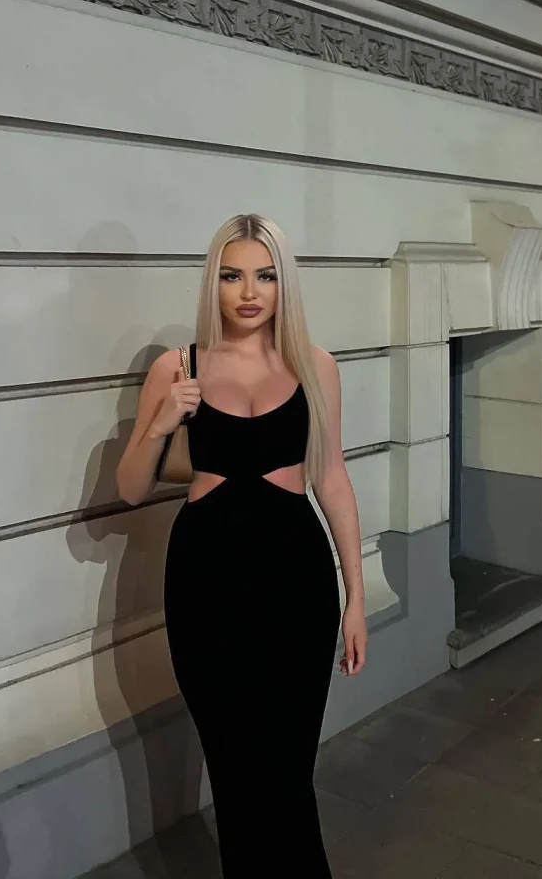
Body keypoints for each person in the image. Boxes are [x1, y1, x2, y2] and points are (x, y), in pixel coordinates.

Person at [116, 213, 366, 877]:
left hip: (297, 581)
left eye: (265, 276)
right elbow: (131, 488)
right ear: (213, 282)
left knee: (287, 772)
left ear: (285, 285)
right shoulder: (177, 368)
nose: (249, 292)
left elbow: (332, 477)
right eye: (232, 276)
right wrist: (163, 423)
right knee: (235, 771)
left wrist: (355, 596)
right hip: (207, 584)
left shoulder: (315, 366)